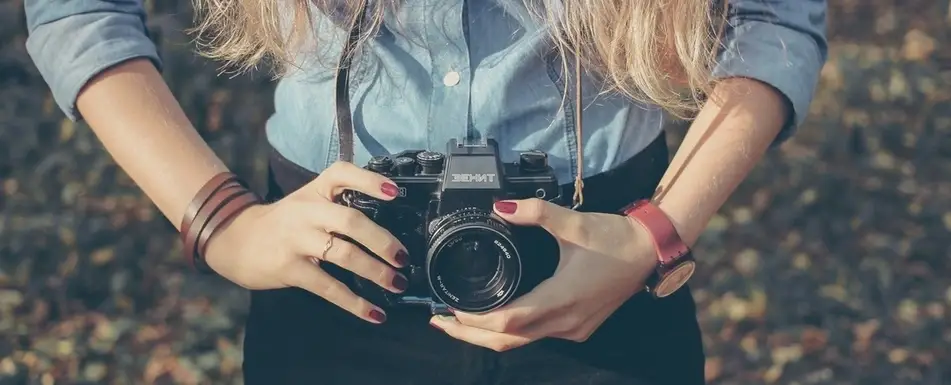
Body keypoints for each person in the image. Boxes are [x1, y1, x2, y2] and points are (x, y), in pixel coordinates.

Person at [25, 0, 827, 384]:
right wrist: (220, 221)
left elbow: (776, 15)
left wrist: (657, 231)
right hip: (336, 272)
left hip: (604, 260)